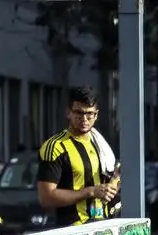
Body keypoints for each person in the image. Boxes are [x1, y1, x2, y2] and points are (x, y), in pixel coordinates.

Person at [36, 86, 120, 227]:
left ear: (96, 115)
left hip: (102, 227)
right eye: (79, 113)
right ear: (68, 113)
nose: (84, 119)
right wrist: (90, 191)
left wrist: (112, 186)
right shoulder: (55, 147)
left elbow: (105, 187)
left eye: (89, 114)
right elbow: (46, 198)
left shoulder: (99, 144)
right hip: (72, 231)